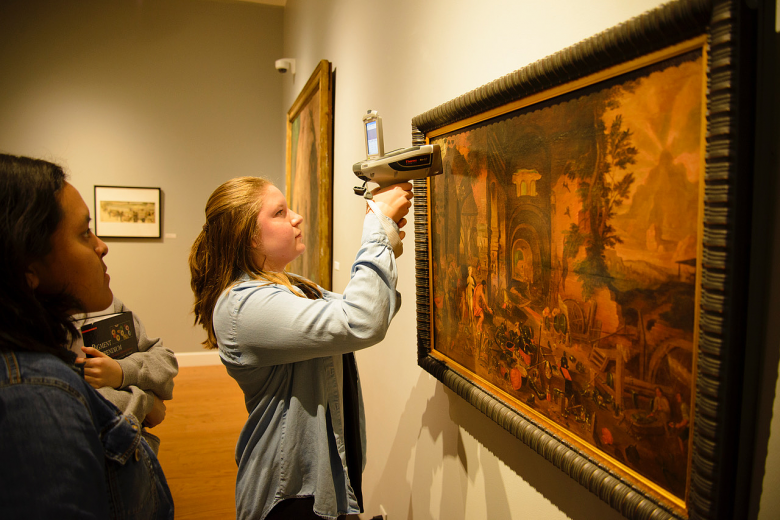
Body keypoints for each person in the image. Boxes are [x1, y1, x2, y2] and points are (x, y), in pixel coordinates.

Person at [189, 176, 412, 520]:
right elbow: (363, 319)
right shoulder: (244, 306)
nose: (296, 217)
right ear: (248, 235)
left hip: (318, 482)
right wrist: (377, 226)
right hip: (289, 494)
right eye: (279, 212)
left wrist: (383, 237)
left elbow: (373, 308)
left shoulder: (293, 286)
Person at [0, 153, 174, 519]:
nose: (101, 246)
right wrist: (145, 402)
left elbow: (163, 361)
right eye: (83, 233)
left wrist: (127, 380)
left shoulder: (106, 318)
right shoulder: (32, 398)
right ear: (27, 267)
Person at [70, 295, 179, 454]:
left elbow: (166, 362)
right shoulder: (36, 322)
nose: (105, 268)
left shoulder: (109, 305)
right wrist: (147, 403)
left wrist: (121, 372)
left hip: (137, 457)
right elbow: (75, 406)